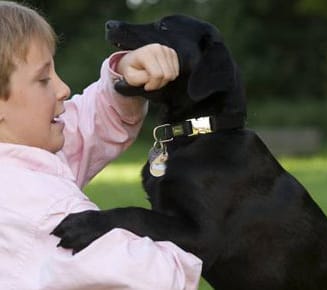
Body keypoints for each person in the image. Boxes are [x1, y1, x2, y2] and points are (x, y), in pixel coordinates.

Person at [0, 1, 202, 289]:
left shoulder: (18, 161)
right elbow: (153, 280)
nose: (63, 89)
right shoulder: (47, 211)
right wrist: (187, 238)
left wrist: (124, 78)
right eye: (43, 79)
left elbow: (83, 130)